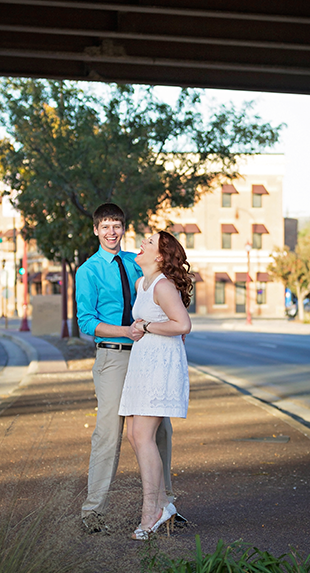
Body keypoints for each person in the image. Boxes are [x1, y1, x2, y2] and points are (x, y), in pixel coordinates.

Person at [75, 203, 176, 534]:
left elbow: (164, 289)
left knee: (160, 429)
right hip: (114, 356)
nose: (111, 232)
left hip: (147, 355)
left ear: (123, 228)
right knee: (109, 431)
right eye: (105, 226)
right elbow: (86, 321)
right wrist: (125, 331)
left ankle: (166, 505)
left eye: (116, 225)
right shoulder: (88, 271)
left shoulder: (137, 262)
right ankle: (94, 511)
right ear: (96, 230)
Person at [119, 231, 192, 540]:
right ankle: (163, 504)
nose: (142, 243)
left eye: (149, 242)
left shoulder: (163, 285)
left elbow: (183, 324)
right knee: (134, 435)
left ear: (160, 256)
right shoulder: (142, 284)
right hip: (143, 362)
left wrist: (147, 326)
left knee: (144, 436)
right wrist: (138, 328)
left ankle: (151, 512)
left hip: (160, 365)